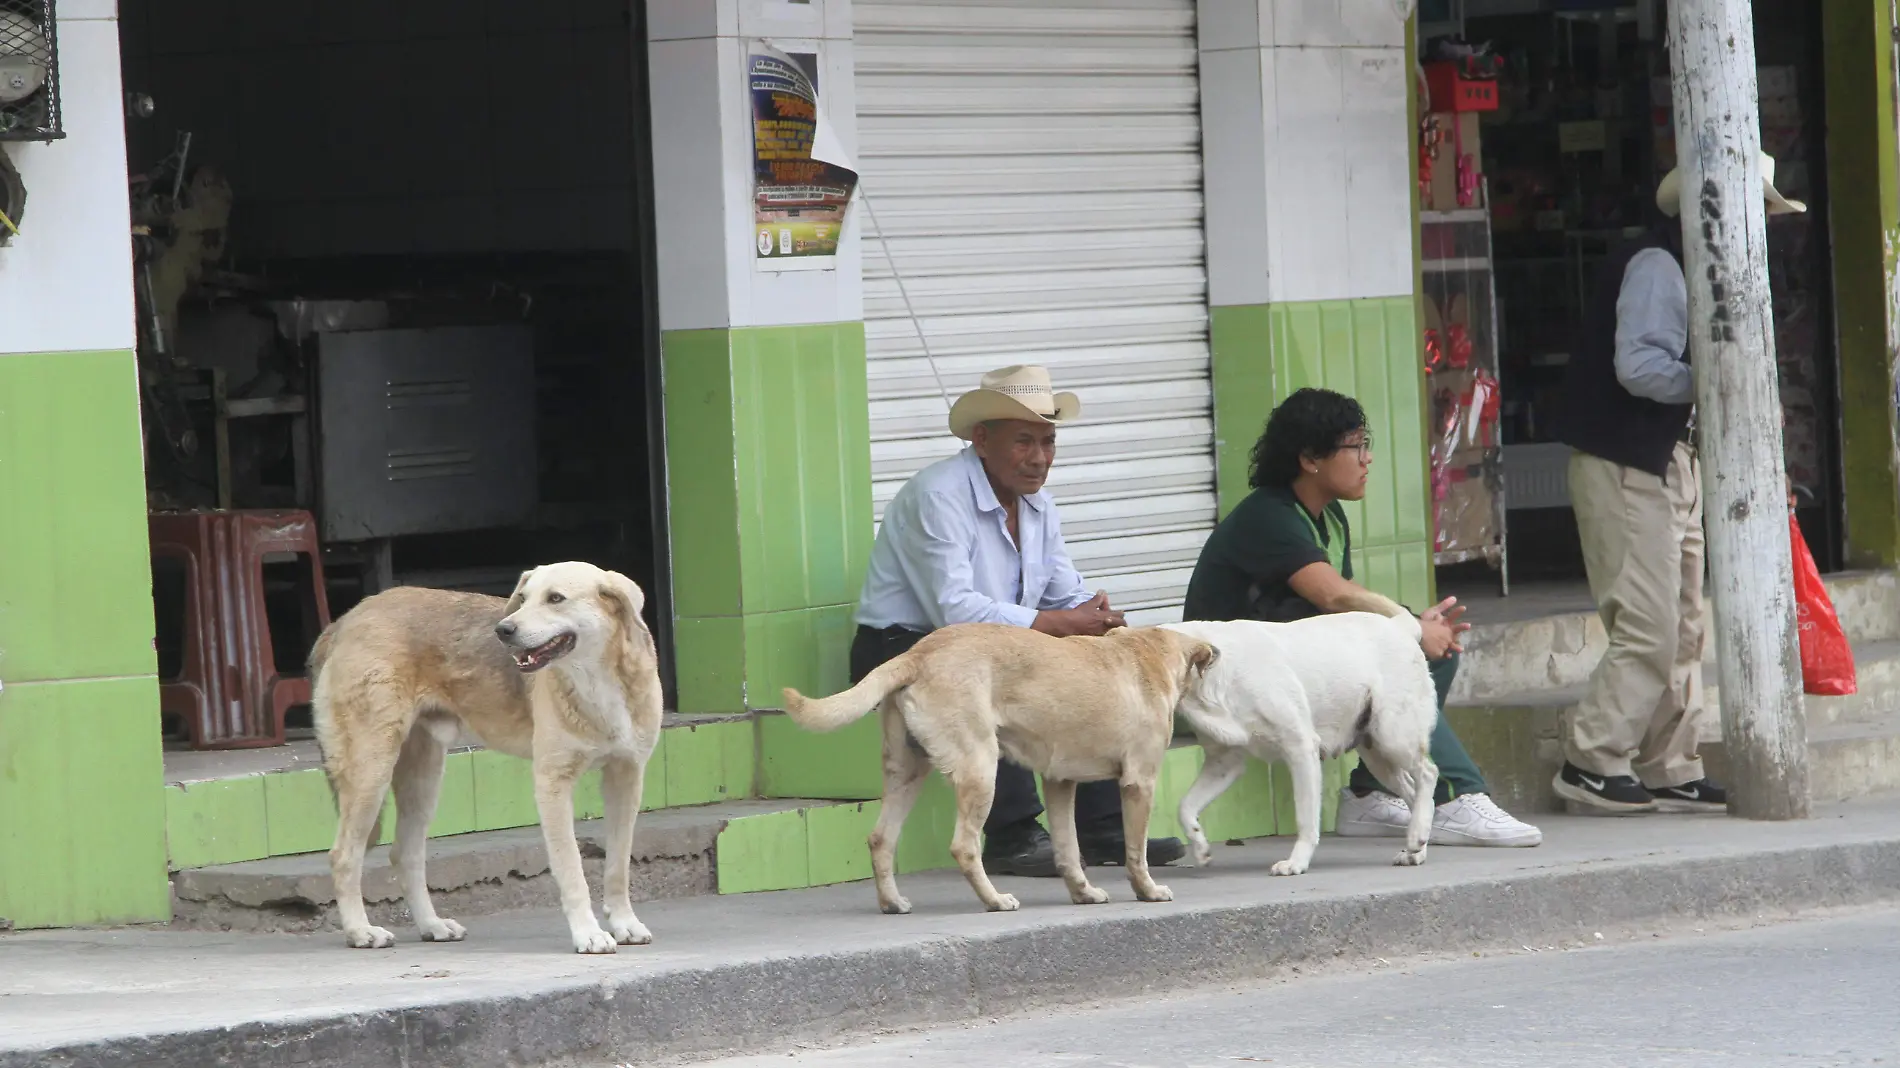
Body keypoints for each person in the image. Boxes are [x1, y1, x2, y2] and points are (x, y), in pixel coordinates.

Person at [851, 364, 1187, 877]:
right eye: (1024, 442)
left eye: (1048, 442)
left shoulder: (1039, 504)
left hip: (991, 644)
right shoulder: (938, 496)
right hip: (904, 648)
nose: (1039, 459)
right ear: (982, 440)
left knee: (1087, 668)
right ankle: (1012, 834)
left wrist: (1097, 619)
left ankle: (1101, 826)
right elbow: (955, 609)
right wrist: (1057, 623)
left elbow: (1062, 588)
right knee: (1000, 672)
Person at [1550, 152, 1804, 813]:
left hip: (1668, 458)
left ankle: (1670, 762)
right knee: (1650, 626)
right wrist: (1717, 386)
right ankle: (1592, 757)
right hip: (1627, 462)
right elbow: (1638, 366)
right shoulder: (1659, 267)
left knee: (1687, 624)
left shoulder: (1696, 271)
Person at [1181, 387, 1542, 847]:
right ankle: (1456, 796)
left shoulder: (1328, 515)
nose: (1367, 459)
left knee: (1433, 655)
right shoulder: (1268, 517)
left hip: (1287, 660)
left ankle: (1369, 794)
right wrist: (1410, 627)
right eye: (1356, 447)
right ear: (1311, 458)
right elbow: (1333, 597)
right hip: (1229, 675)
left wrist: (1412, 627)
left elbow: (1347, 609)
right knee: (1408, 651)